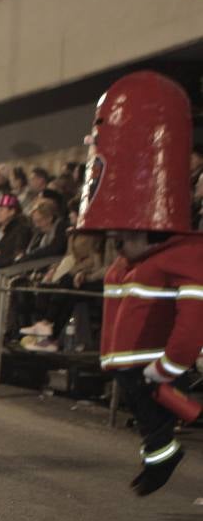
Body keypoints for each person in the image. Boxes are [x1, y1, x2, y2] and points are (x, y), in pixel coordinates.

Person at [78, 71, 202, 496]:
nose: (116, 242)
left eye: (123, 237)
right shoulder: (131, 262)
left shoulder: (180, 258)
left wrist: (168, 366)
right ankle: (161, 453)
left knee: (152, 396)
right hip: (140, 361)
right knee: (144, 398)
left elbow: (192, 321)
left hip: (163, 360)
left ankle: (163, 452)